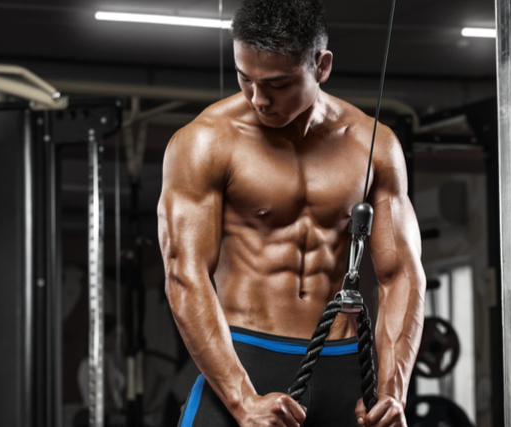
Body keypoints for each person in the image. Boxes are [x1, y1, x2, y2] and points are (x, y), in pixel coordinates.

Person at [157, 0, 426, 426]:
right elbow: (183, 273)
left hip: (345, 366)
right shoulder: (206, 141)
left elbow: (402, 275)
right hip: (246, 360)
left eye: (277, 84)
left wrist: (393, 388)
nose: (259, 99)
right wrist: (243, 400)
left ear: (321, 66)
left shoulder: (373, 145)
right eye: (246, 79)